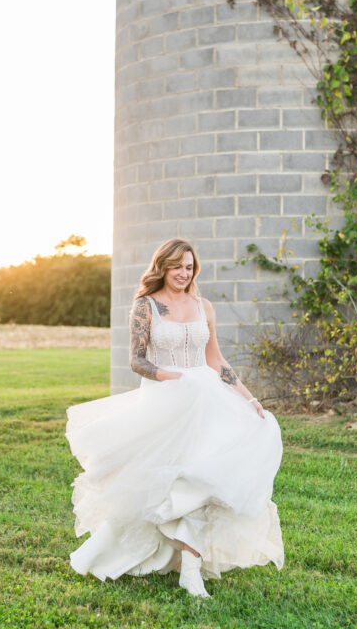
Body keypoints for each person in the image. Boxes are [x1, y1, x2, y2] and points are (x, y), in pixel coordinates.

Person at [65, 237, 284, 598]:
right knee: (168, 481)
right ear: (162, 267)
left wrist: (248, 398)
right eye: (176, 266)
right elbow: (137, 360)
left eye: (189, 267)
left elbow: (216, 360)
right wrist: (176, 379)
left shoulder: (204, 306)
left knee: (207, 476)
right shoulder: (145, 306)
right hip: (165, 400)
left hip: (207, 399)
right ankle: (158, 553)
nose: (183, 273)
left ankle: (192, 570)